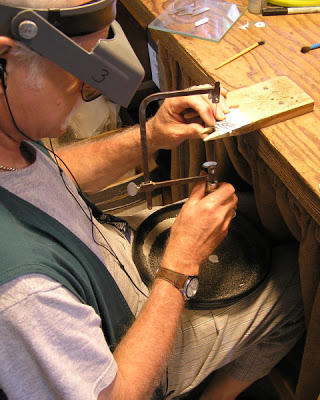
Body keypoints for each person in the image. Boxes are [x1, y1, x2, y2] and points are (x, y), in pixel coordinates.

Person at [0, 0, 305, 399]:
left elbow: (49, 174)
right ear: (5, 56)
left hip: (102, 258)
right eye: (78, 69)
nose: (90, 88)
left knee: (253, 209)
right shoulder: (22, 295)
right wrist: (180, 264)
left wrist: (153, 134)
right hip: (124, 352)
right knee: (298, 279)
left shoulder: (9, 147)